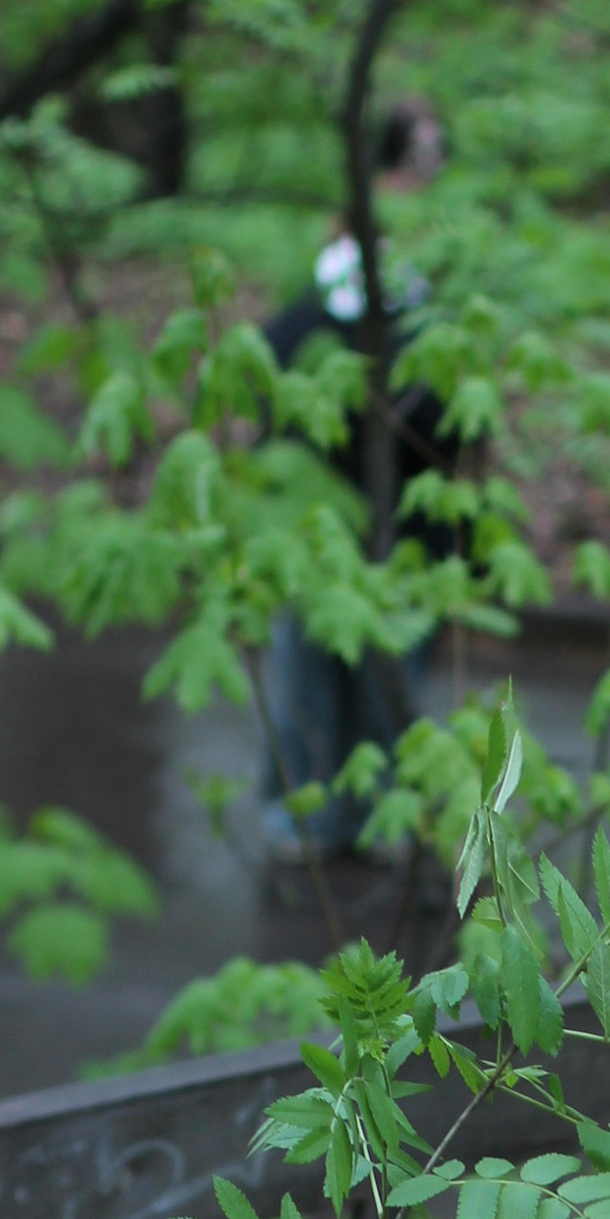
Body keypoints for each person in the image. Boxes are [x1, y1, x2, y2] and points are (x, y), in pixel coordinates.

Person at [257, 98, 452, 859]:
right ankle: (309, 821)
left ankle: (363, 825)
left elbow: (452, 435)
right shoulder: (321, 307)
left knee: (381, 696)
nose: (419, 183)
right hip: (319, 539)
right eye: (413, 162)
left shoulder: (428, 305)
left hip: (404, 543)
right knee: (310, 684)